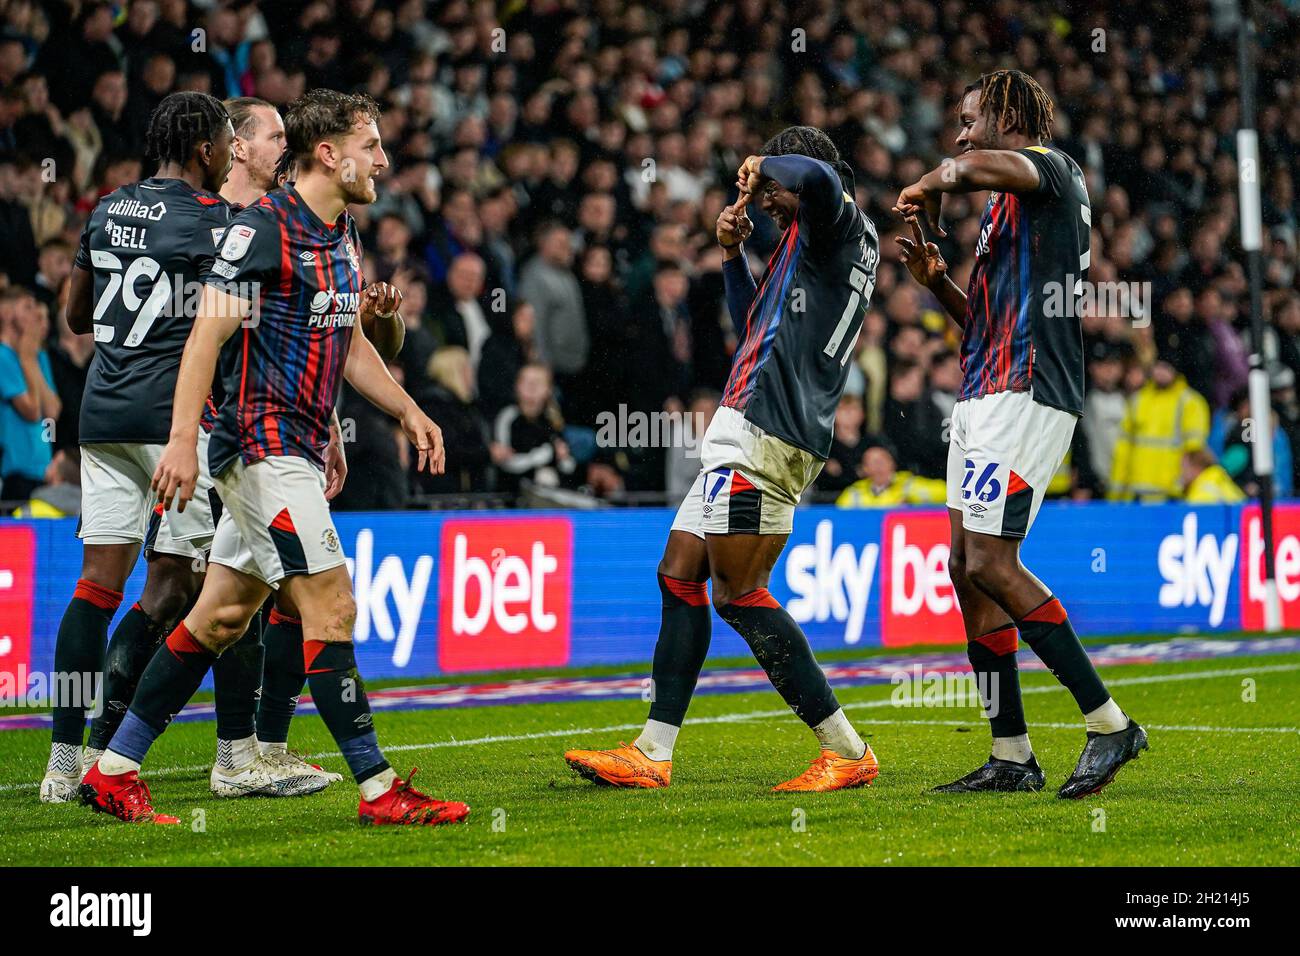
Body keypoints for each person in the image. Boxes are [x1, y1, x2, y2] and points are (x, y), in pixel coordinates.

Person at [80, 89, 468, 827]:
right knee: (333, 605)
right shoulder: (262, 230)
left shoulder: (342, 234)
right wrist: (186, 440)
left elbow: (350, 346)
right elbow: (205, 339)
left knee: (220, 614)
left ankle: (113, 768)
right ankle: (381, 790)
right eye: (372, 146)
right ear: (330, 154)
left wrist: (409, 408)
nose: (384, 161)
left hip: (294, 447)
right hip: (261, 448)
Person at [565, 125, 883, 792]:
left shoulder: (834, 217)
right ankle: (653, 751)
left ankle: (847, 750)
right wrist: (734, 257)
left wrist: (764, 161)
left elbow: (820, 177)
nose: (766, 201)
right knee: (679, 573)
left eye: (774, 191)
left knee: (738, 594)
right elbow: (752, 325)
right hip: (747, 423)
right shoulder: (810, 243)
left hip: (770, 428)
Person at [80, 96, 345, 800]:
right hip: (217, 435)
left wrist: (334, 430)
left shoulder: (282, 223)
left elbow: (299, 337)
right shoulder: (230, 226)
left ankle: (204, 754)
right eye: (270, 136)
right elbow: (210, 340)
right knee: (183, 594)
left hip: (253, 434)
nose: (280, 148)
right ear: (233, 148)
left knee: (230, 597)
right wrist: (184, 434)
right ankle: (132, 751)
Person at [894, 70, 1146, 797]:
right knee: (964, 569)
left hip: (1029, 392)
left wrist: (930, 183)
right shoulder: (1008, 209)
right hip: (982, 393)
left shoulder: (1053, 172)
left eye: (970, 118)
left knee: (994, 563)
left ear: (1009, 114)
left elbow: (970, 167)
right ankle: (1011, 754)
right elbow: (983, 321)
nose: (960, 133)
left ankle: (1109, 724)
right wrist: (936, 281)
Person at [40, 91, 235, 804]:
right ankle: (113, 754)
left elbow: (77, 314)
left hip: (102, 414)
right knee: (185, 585)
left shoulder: (109, 205)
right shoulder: (216, 221)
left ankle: (61, 765)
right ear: (206, 150)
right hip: (173, 422)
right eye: (223, 143)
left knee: (97, 584)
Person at [0, 286, 60, 503]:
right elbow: (33, 411)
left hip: (43, 470)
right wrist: (27, 359)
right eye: (27, 307)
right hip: (15, 472)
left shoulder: (37, 356)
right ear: (6, 313)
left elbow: (52, 411)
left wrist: (31, 359)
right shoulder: (3, 356)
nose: (35, 314)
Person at [835, 440, 946, 507]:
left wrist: (912, 503)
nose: (879, 466)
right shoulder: (855, 493)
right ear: (865, 469)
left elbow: (945, 493)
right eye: (873, 462)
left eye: (883, 460)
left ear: (892, 463)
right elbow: (838, 516)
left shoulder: (907, 484)